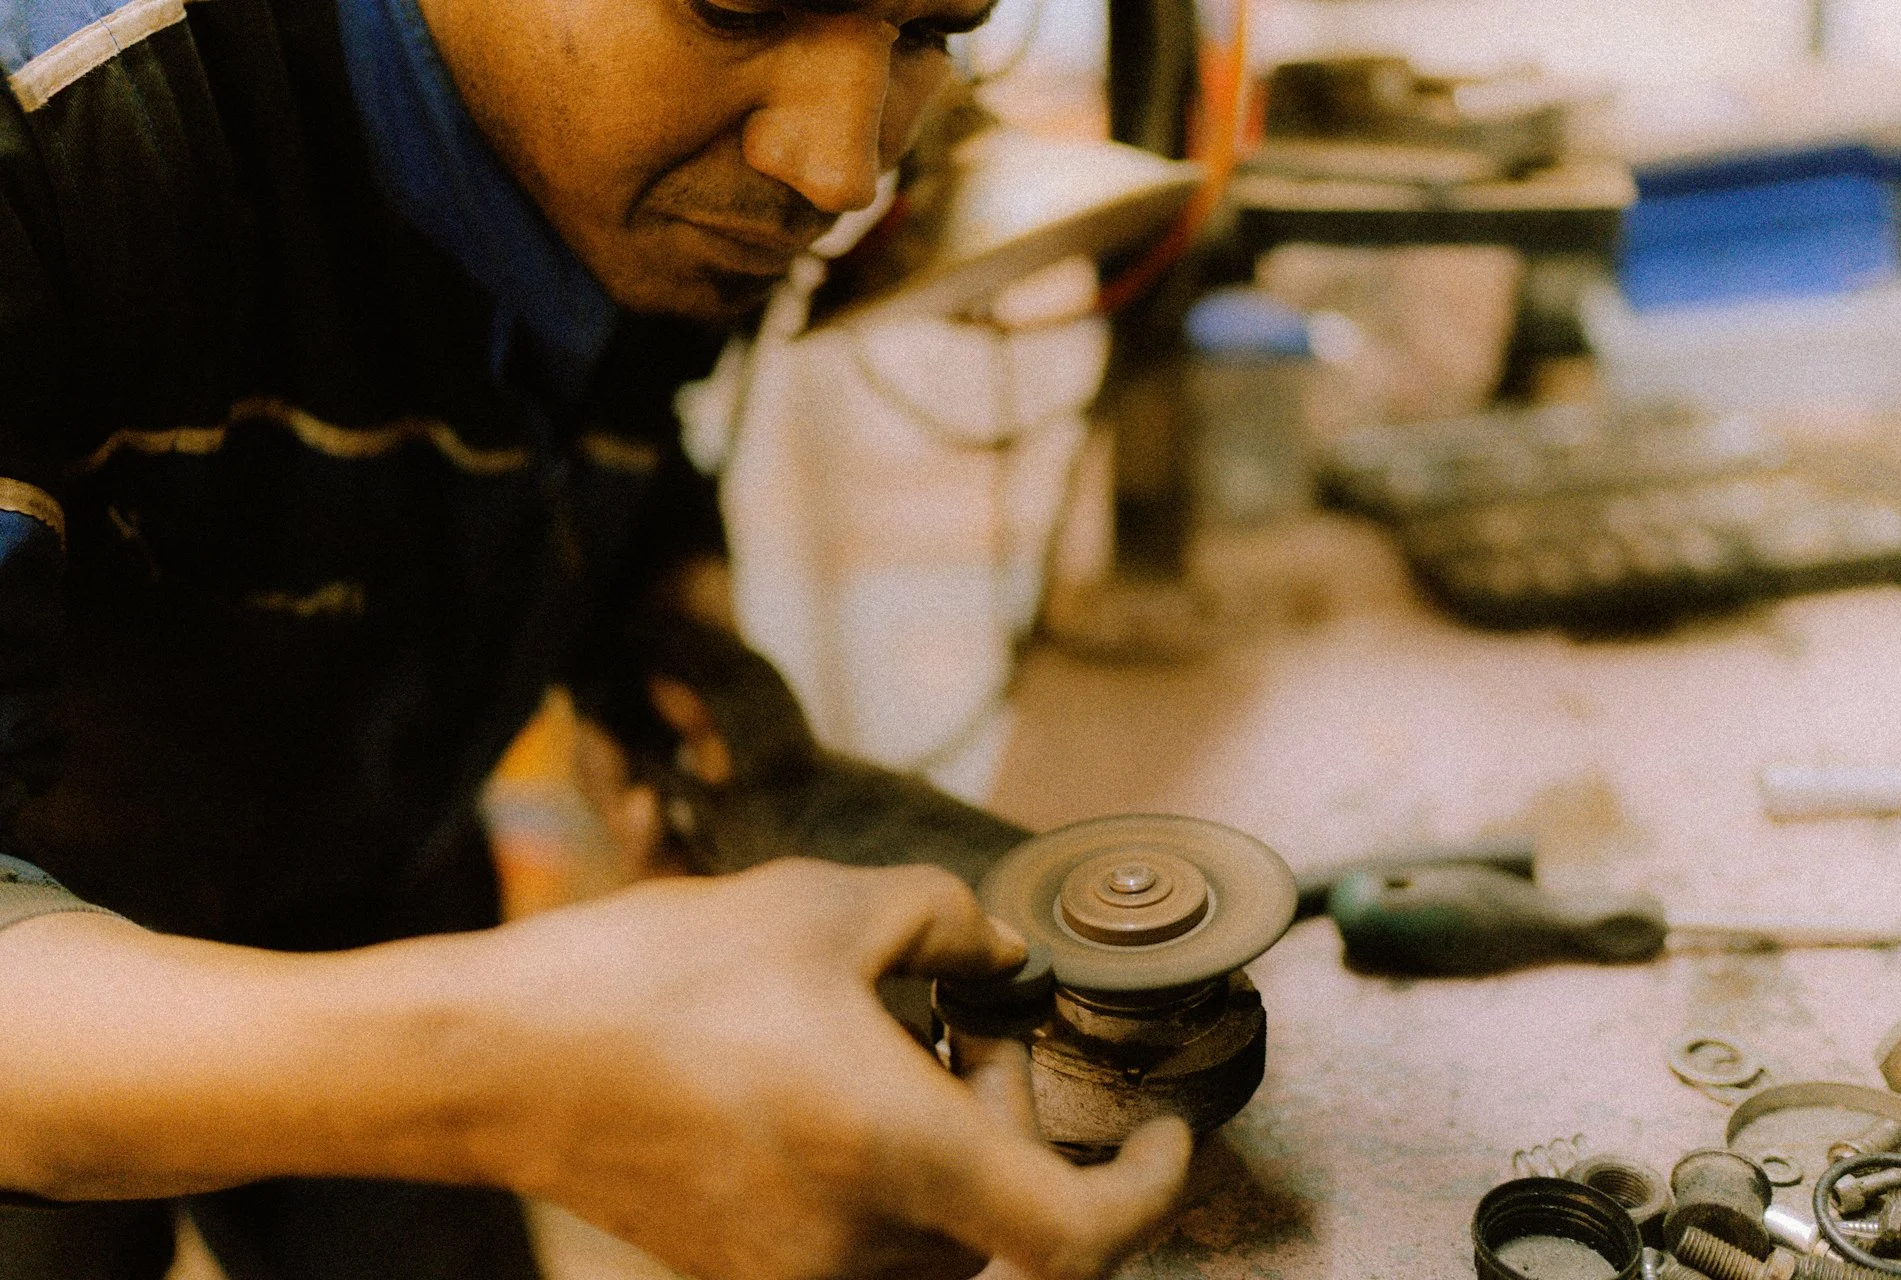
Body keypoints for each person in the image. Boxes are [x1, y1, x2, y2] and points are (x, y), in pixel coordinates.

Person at [0, 0, 1192, 1275]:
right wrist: (487, 1072)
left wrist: (673, 645)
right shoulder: (58, 130)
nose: (839, 170)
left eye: (927, 32)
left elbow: (624, 420)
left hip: (380, 866)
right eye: (739, 6)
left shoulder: (658, 176)